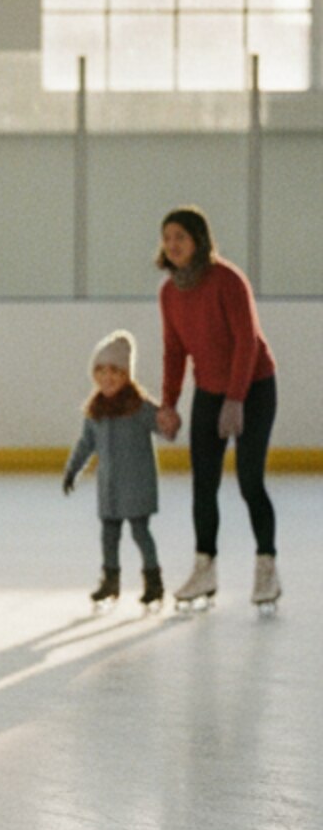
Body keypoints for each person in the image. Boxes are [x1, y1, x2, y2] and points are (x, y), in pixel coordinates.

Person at [154, 206, 281, 611]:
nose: (173, 245)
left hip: (254, 388)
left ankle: (266, 567)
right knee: (203, 484)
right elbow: (175, 352)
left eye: (181, 237)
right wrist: (169, 404)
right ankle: (204, 568)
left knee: (249, 481)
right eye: (168, 237)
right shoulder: (169, 292)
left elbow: (247, 341)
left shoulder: (227, 280)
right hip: (209, 391)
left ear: (199, 241)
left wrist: (237, 400)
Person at [63, 330, 163, 611]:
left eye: (115, 372)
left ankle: (153, 582)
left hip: (137, 486)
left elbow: (164, 426)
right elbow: (86, 444)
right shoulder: (96, 410)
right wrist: (72, 470)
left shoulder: (139, 407)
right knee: (109, 535)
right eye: (101, 371)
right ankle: (110, 582)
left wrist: (169, 417)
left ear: (126, 375)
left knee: (141, 533)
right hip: (110, 488)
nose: (108, 378)